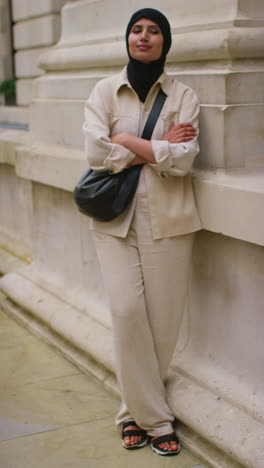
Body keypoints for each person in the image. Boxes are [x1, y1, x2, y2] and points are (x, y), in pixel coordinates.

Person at [83, 8, 201, 457]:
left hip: (169, 219)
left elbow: (186, 157)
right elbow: (95, 151)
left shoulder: (184, 95)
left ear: (164, 42)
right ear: (127, 38)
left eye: (154, 31)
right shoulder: (103, 91)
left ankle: (130, 414)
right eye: (137, 30)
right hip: (114, 220)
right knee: (127, 311)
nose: (144, 37)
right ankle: (156, 419)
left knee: (163, 323)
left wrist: (126, 141)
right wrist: (154, 147)